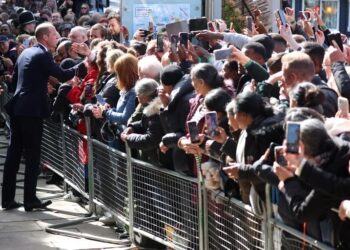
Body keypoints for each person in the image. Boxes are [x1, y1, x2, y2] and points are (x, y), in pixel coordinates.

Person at [1, 23, 84, 211]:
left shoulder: (26, 53)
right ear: (45, 37)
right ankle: (30, 199)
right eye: (55, 34)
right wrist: (86, 63)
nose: (57, 37)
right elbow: (63, 75)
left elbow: (15, 82)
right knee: (32, 154)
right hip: (31, 111)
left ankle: (7, 199)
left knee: (14, 154)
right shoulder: (42, 54)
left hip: (18, 108)